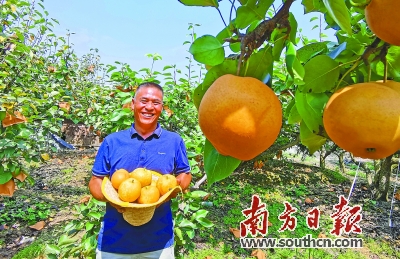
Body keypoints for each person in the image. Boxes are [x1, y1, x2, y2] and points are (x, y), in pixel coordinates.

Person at [88, 81, 192, 259]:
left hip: (159, 242)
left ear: (161, 107)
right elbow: (95, 181)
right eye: (144, 101)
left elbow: (185, 174)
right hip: (114, 243)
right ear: (133, 103)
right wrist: (114, 199)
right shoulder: (112, 141)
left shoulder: (174, 141)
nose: (149, 107)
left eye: (156, 102)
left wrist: (170, 191)